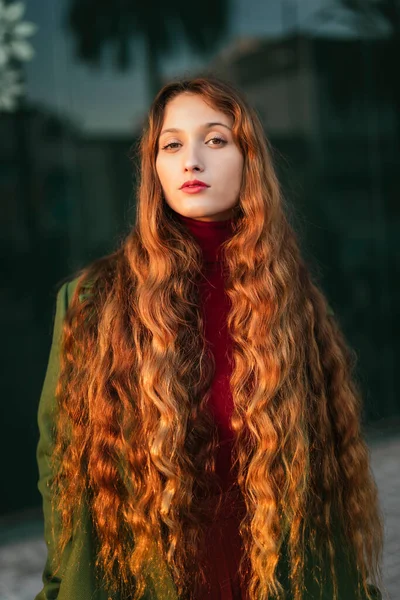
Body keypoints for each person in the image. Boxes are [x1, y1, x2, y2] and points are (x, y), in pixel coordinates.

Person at [35, 76, 385, 600]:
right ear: (153, 168)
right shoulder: (94, 302)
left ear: (249, 160)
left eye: (215, 140)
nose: (190, 161)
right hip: (146, 581)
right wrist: (61, 584)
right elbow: (58, 469)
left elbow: (329, 483)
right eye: (171, 144)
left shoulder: (292, 298)